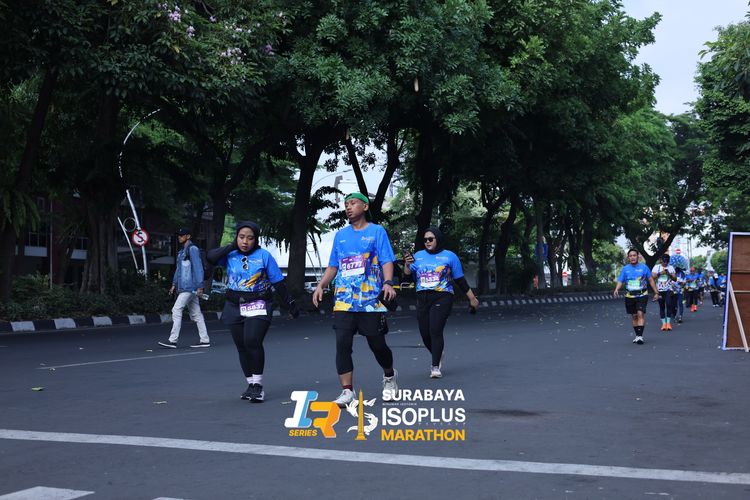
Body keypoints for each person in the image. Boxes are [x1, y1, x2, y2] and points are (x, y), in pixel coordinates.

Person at [312, 192, 399, 407]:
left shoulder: (377, 231)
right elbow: (334, 266)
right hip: (344, 300)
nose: (348, 207)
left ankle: (389, 376)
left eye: (353, 203)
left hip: (370, 301)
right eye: (346, 204)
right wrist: (321, 285)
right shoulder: (341, 235)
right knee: (342, 344)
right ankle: (347, 391)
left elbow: (387, 260)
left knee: (377, 345)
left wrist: (388, 282)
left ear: (365, 206)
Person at [206, 221, 299, 403]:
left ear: (256, 240)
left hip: (258, 304)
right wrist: (231, 246)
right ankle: (250, 384)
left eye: (250, 238)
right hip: (234, 305)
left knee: (252, 341)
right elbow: (210, 257)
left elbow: (278, 283)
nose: (245, 241)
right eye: (241, 237)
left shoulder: (264, 256)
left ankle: (258, 385)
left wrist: (291, 304)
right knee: (241, 345)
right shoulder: (230, 254)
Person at [403, 226, 480, 378]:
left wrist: (472, 298)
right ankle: (438, 353)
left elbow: (460, 280)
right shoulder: (418, 256)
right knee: (425, 334)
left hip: (442, 296)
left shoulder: (450, 257)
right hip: (422, 297)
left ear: (437, 239)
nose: (427, 242)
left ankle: (435, 367)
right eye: (425, 240)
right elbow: (406, 278)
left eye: (430, 239)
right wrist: (406, 264)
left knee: (435, 329)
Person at [158, 227, 210, 349]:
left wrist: (200, 286)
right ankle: (205, 340)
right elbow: (178, 269)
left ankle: (173, 340)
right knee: (196, 314)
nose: (179, 237)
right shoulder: (181, 252)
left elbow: (198, 268)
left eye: (182, 235)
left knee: (176, 310)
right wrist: (174, 284)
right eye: (179, 235)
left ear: (188, 236)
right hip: (185, 287)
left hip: (190, 287)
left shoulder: (193, 249)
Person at [614, 249, 660, 344]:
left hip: (642, 295)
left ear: (638, 256)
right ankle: (637, 335)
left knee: (640, 313)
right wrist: (616, 289)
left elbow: (651, 280)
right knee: (634, 316)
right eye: (630, 256)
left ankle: (640, 336)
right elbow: (620, 280)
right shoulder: (625, 269)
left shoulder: (644, 267)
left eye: (634, 255)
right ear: (628, 257)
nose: (632, 257)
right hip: (630, 296)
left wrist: (656, 292)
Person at [652, 254, 676, 331]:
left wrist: (669, 274)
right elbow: (652, 277)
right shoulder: (656, 267)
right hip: (660, 290)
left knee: (669, 305)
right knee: (662, 307)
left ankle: (668, 323)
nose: (665, 263)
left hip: (668, 289)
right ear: (661, 260)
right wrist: (660, 273)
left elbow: (675, 279)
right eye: (664, 261)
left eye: (667, 261)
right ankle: (663, 324)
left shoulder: (671, 267)